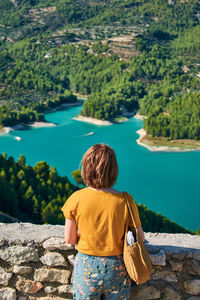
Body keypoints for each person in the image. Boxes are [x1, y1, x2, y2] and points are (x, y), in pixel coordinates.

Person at [61, 143, 144, 299]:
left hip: (86, 266)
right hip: (118, 267)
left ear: (86, 168)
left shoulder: (76, 199)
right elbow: (140, 237)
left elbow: (70, 239)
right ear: (113, 170)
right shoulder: (125, 201)